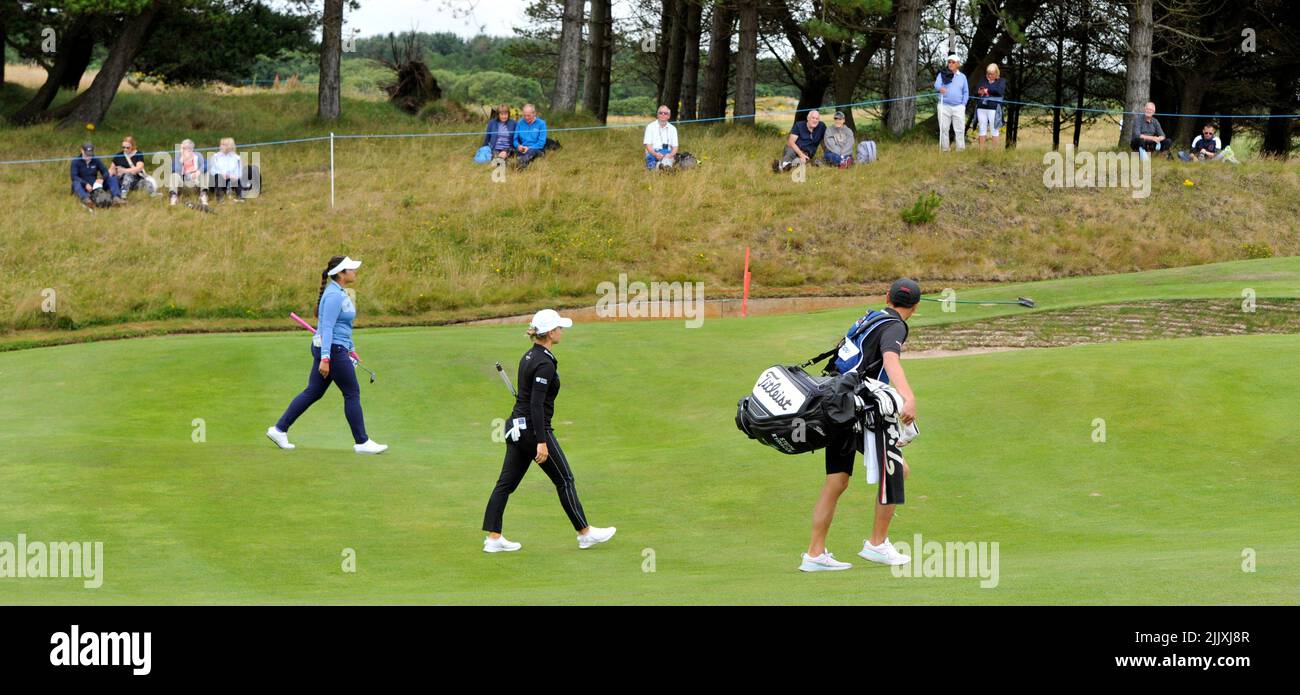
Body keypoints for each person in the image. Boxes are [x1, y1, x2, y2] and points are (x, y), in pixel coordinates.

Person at [801, 278, 920, 572]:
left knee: (837, 480)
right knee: (896, 471)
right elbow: (890, 360)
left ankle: (814, 554)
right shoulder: (895, 325)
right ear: (914, 308)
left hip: (834, 403)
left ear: (886, 297)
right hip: (859, 408)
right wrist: (908, 397)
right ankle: (877, 545)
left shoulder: (870, 317)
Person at [481, 309, 616, 553]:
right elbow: (535, 405)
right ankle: (585, 533)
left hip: (516, 428)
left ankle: (493, 538)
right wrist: (541, 442)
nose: (562, 331)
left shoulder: (530, 356)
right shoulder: (544, 363)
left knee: (505, 484)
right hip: (533, 431)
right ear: (550, 333)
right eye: (559, 328)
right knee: (564, 479)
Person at [268, 256, 388, 455]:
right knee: (352, 393)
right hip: (332, 349)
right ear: (341, 273)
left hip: (337, 347)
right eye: (351, 269)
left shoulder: (339, 292)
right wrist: (326, 358)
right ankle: (362, 442)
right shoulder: (333, 295)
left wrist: (350, 347)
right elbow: (328, 328)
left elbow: (343, 327)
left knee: (313, 391)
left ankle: (279, 429)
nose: (354, 272)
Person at [70, 142, 121, 209]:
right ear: (82, 151)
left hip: (95, 185)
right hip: (82, 185)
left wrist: (102, 179)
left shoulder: (96, 160)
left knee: (112, 178)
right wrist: (85, 184)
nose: (89, 157)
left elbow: (106, 172)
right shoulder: (75, 162)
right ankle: (86, 200)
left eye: (90, 155)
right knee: (75, 183)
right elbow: (74, 176)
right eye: (86, 154)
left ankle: (116, 198)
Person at [934, 54, 969, 152]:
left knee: (960, 129)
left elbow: (966, 92)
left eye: (953, 62)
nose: (950, 64)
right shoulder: (943, 74)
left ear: (958, 64)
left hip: (958, 107)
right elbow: (936, 84)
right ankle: (945, 149)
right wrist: (940, 88)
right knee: (944, 129)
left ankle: (960, 150)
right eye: (949, 62)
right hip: (943, 105)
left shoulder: (962, 77)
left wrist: (963, 104)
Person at [974, 63, 1006, 150]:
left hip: (994, 108)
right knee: (982, 129)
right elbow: (978, 89)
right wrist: (983, 90)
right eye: (988, 73)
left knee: (994, 129)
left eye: (991, 74)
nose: (989, 75)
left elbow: (999, 91)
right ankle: (981, 151)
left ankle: (994, 152)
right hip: (981, 108)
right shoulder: (983, 79)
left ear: (996, 73)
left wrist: (987, 90)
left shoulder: (1001, 81)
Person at [169, 138, 208, 206]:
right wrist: (181, 162)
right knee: (174, 175)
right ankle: (173, 197)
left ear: (191, 149)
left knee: (204, 174)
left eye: (185, 148)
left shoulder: (198, 155)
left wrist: (198, 172)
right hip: (184, 186)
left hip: (196, 185)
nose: (182, 150)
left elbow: (206, 164)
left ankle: (203, 196)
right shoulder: (178, 157)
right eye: (182, 148)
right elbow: (174, 170)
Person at [513, 103, 548, 170]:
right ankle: (521, 164)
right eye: (524, 115)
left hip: (537, 150)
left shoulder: (541, 124)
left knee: (531, 152)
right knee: (514, 152)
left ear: (534, 114)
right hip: (523, 150)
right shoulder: (520, 123)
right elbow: (515, 140)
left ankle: (518, 166)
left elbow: (541, 143)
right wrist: (518, 146)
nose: (526, 118)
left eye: (528, 115)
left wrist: (529, 148)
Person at [644, 104, 679, 170]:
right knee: (652, 166)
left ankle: (663, 167)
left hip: (667, 153)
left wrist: (670, 155)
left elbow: (675, 147)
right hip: (653, 152)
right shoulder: (650, 127)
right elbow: (648, 146)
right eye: (660, 113)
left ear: (669, 116)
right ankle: (660, 167)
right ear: (657, 115)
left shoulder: (673, 129)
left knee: (667, 161)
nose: (663, 114)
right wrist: (655, 154)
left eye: (665, 113)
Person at [208, 137, 245, 202]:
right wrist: (222, 174)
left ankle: (240, 197)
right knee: (218, 177)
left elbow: (239, 172)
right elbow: (212, 170)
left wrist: (233, 176)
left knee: (238, 179)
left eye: (223, 145)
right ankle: (219, 198)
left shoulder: (237, 158)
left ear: (229, 146)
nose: (220, 146)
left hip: (231, 179)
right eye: (220, 144)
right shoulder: (215, 156)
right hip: (218, 180)